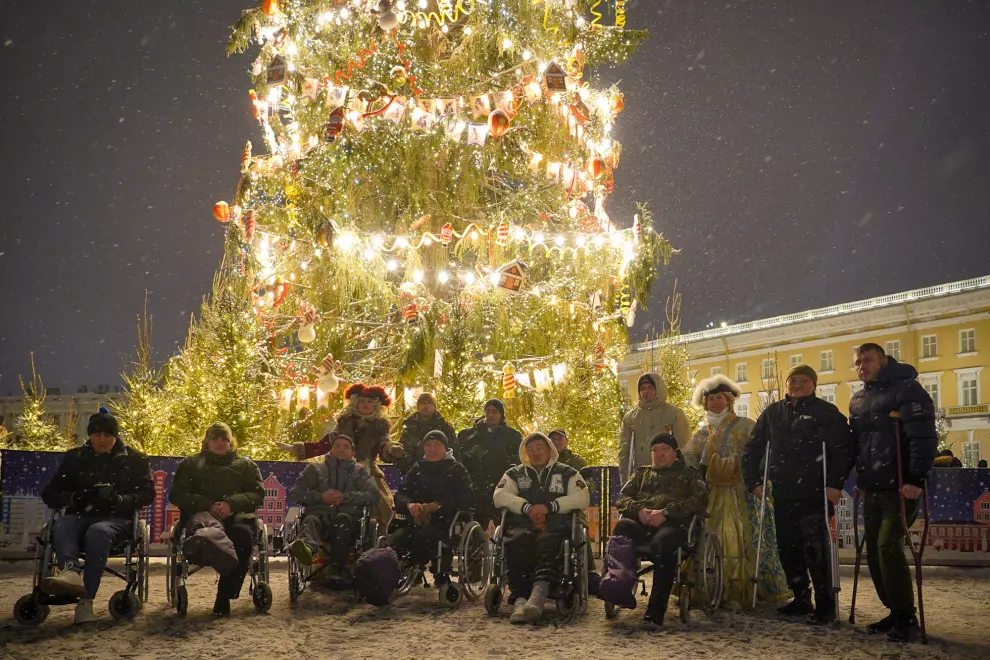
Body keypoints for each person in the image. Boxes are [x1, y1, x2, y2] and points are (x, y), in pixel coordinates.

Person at [742, 364, 856, 624]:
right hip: (783, 491)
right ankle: (801, 597)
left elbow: (843, 449)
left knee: (815, 548)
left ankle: (826, 604)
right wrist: (753, 481)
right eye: (793, 380)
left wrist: (835, 484)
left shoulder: (826, 412)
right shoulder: (773, 413)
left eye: (804, 380)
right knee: (787, 547)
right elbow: (753, 447)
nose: (797, 384)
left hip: (815, 492)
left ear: (814, 384)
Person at [850, 343, 937, 642]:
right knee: (874, 551)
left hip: (900, 485)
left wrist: (915, 477)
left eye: (868, 360)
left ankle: (907, 617)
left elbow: (922, 435)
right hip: (872, 485)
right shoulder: (858, 399)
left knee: (888, 545)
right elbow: (859, 442)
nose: (862, 366)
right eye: (858, 362)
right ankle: (895, 610)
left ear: (883, 361)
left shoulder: (907, 390)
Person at [39, 408, 155, 624]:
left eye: (108, 434)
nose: (102, 439)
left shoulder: (135, 459)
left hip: (116, 519)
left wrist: (119, 499)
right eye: (97, 434)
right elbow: (50, 493)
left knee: (97, 532)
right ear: (90, 435)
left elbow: (147, 494)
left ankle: (86, 601)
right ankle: (70, 572)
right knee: (62, 525)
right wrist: (75, 498)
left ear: (116, 435)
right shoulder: (75, 458)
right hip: (79, 514)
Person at [683, 375, 789, 609]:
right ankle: (709, 585)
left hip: (741, 492)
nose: (715, 403)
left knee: (739, 537)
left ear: (729, 400)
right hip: (711, 492)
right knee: (707, 535)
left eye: (719, 398)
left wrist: (741, 466)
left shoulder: (745, 425)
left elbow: (759, 454)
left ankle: (737, 589)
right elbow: (689, 457)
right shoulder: (702, 432)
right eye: (710, 399)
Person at [611, 433, 709, 626]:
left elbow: (700, 500)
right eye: (655, 450)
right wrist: (639, 510)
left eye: (665, 449)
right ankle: (618, 590)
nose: (659, 454)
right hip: (643, 524)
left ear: (676, 452)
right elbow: (622, 498)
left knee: (664, 542)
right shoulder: (641, 473)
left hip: (674, 526)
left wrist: (666, 513)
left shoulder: (689, 474)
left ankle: (655, 610)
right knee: (622, 527)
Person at [168, 422, 266, 616]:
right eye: (215, 439)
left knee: (243, 537)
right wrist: (208, 505)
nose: (220, 443)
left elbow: (257, 494)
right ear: (207, 442)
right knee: (207, 532)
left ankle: (224, 595)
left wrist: (231, 504)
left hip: (236, 518)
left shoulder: (246, 466)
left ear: (231, 442)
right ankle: (206, 542)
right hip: (201, 516)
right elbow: (177, 494)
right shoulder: (190, 464)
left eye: (224, 439)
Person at [493, 432, 590, 624]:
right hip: (522, 523)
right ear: (525, 452)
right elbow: (499, 496)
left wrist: (549, 507)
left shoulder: (567, 473)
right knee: (517, 540)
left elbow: (582, 498)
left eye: (540, 448)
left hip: (556, 524)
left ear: (549, 450)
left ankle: (539, 592)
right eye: (531, 449)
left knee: (550, 540)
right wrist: (527, 508)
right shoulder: (514, 474)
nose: (535, 452)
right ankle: (520, 598)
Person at [280, 383, 402, 523]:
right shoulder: (344, 424)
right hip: (340, 469)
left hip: (368, 470)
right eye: (362, 401)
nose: (365, 404)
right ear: (355, 403)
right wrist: (297, 449)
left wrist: (392, 449)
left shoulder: (380, 426)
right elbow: (324, 445)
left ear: (376, 405)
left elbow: (385, 445)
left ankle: (379, 531)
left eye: (369, 401)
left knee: (380, 503)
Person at [288, 434, 380, 576]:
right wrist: (321, 497)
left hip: (349, 524)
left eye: (346, 447)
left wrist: (345, 497)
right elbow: (295, 493)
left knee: (342, 519)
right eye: (337, 446)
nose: (341, 449)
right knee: (311, 519)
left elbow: (373, 495)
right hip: (320, 519)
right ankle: (306, 549)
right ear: (330, 450)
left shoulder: (360, 472)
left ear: (353, 453)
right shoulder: (315, 469)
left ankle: (337, 570)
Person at [387, 430, 473, 582]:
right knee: (396, 538)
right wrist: (409, 504)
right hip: (415, 519)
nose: (432, 449)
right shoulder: (417, 468)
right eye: (428, 445)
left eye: (437, 444)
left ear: (446, 447)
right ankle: (397, 569)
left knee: (425, 536)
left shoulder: (456, 469)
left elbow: (465, 497)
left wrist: (437, 506)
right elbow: (401, 494)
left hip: (445, 521)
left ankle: (417, 566)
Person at [455, 399, 523, 530]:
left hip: (500, 483)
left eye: (494, 411)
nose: (490, 414)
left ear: (501, 415)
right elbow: (460, 456)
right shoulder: (468, 435)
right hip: (474, 484)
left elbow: (518, 459)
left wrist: (504, 461)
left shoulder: (512, 436)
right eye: (488, 411)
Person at [619, 372, 691, 482]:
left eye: (650, 387)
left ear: (658, 388)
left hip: (668, 477)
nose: (645, 391)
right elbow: (624, 452)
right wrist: (625, 481)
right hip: (640, 476)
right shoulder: (630, 418)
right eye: (642, 388)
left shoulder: (674, 414)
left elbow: (684, 446)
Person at [395, 392, 457, 474]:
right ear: (418, 407)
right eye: (422, 403)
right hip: (415, 474)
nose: (426, 406)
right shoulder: (409, 429)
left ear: (434, 406)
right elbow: (403, 453)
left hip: (441, 474)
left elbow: (454, 451)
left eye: (429, 403)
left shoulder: (445, 427)